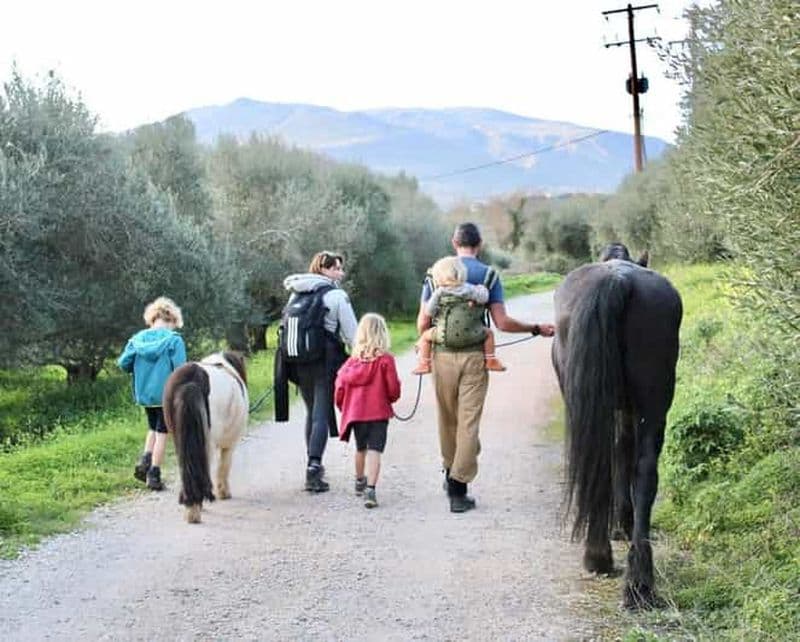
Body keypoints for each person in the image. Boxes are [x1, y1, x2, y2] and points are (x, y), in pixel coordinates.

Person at [417, 223, 556, 513]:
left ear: (454, 242)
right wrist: (535, 328)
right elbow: (502, 323)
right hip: (475, 357)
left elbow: (422, 322)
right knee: (468, 422)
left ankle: (450, 470)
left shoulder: (436, 274)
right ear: (479, 244)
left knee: (447, 419)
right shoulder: (488, 276)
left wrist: (429, 340)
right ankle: (458, 489)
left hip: (442, 356)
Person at [277, 251, 358, 493]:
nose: (340, 273)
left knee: (312, 411)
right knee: (320, 413)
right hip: (324, 363)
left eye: (340, 268)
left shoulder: (295, 293)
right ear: (323, 269)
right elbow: (352, 334)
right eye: (336, 269)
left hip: (297, 362)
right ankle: (314, 468)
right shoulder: (336, 295)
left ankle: (313, 463)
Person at [118, 296, 187, 491]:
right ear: (171, 319)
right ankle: (154, 474)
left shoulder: (136, 340)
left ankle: (145, 460)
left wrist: (139, 368)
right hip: (166, 394)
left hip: (145, 394)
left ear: (153, 318)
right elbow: (180, 370)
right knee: (163, 432)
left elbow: (123, 363)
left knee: (153, 427)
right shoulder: (174, 340)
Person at [335, 313, 401, 509]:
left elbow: (339, 388)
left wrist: (343, 406)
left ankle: (359, 480)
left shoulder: (350, 363)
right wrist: (391, 398)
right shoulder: (386, 360)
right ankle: (371, 489)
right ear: (382, 333)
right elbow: (393, 389)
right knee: (375, 450)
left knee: (361, 448)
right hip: (378, 413)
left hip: (357, 414)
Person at [412, 255, 506, 375]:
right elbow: (484, 298)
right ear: (462, 273)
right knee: (489, 334)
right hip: (473, 334)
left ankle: (425, 363)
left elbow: (429, 312)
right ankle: (491, 360)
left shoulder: (439, 293)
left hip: (443, 335)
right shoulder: (470, 289)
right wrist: (481, 289)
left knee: (425, 337)